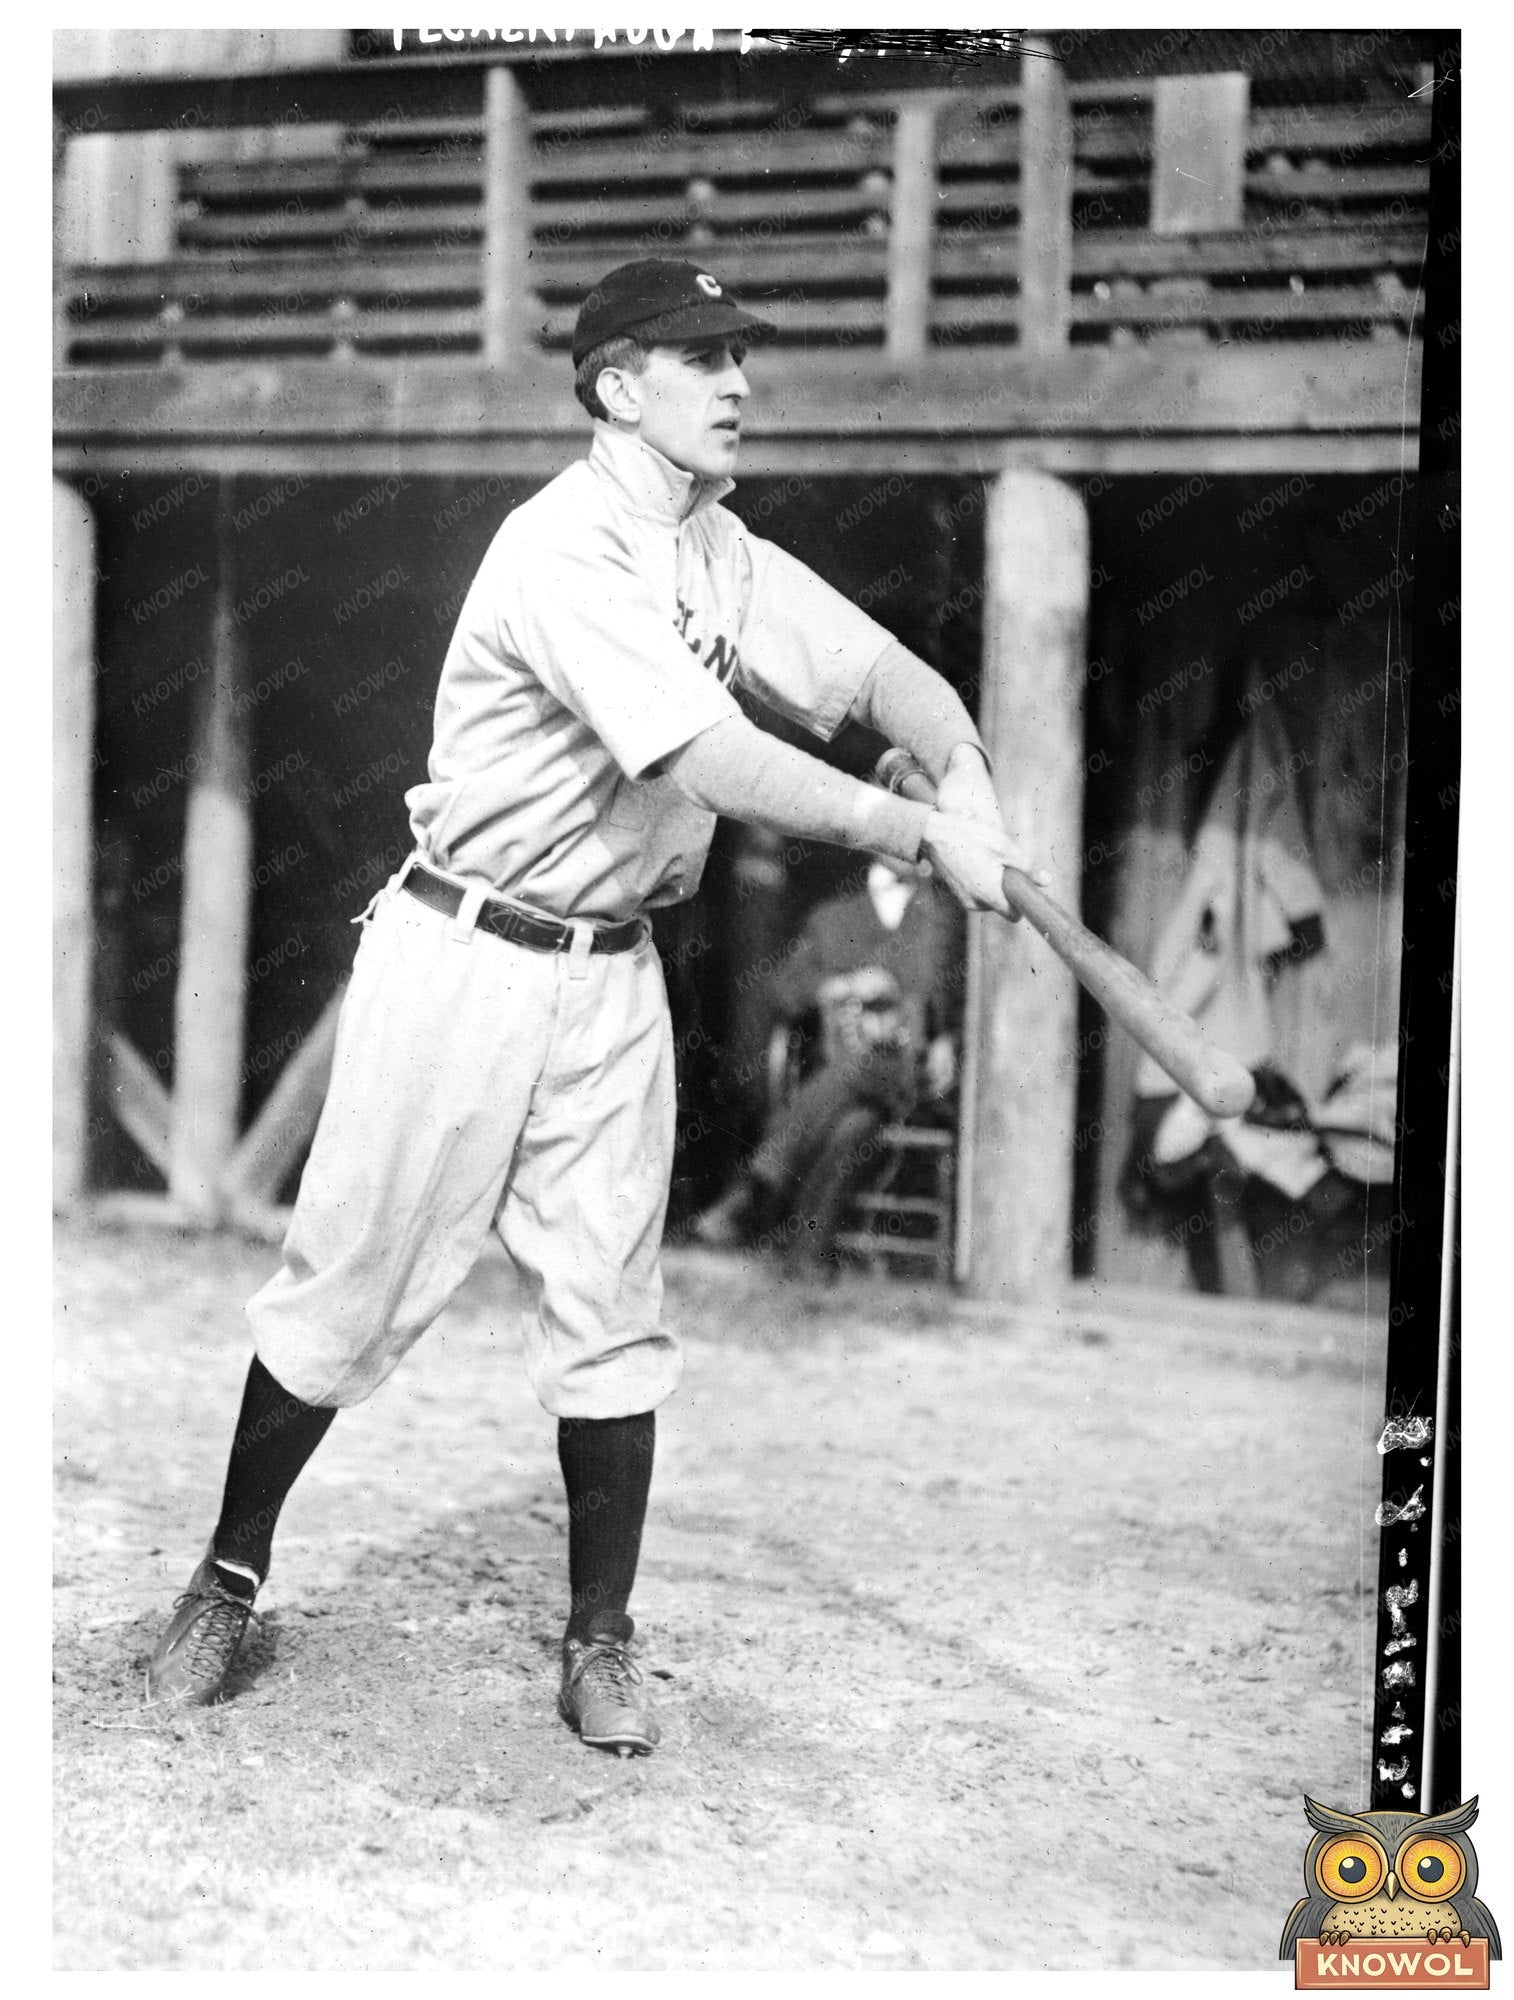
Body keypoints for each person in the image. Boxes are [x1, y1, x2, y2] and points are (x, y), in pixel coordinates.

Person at [144, 259, 1035, 1757]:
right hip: (463, 957)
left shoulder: (722, 550)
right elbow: (713, 762)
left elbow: (887, 675)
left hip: (610, 970)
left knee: (614, 1312)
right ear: (619, 389)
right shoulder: (558, 547)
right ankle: (228, 1579)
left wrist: (967, 782)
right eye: (703, 360)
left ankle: (601, 1637)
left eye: (742, 353)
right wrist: (908, 837)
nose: (739, 381)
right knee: (345, 1292)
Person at [693, 860, 963, 1256]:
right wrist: (834, 987)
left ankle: (754, 1187)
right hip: (847, 1086)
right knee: (851, 1126)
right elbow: (785, 989)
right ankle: (806, 1260)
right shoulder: (833, 918)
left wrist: (950, 1039)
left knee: (850, 1076)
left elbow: (964, 999)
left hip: (916, 1076)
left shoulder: (939, 917)